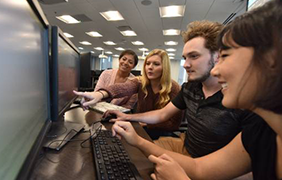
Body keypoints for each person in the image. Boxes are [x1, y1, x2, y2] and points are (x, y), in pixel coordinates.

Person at [113, 0, 282, 179]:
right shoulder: (261, 133)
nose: (217, 70)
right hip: (190, 149)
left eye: (225, 56)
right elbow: (198, 166)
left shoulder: (256, 119)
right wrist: (132, 125)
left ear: (272, 61)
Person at [93, 20, 262, 158]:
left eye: (194, 56)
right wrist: (126, 115)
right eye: (185, 58)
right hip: (184, 143)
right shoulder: (190, 88)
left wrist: (137, 135)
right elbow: (161, 114)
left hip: (207, 160)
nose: (186, 65)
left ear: (218, 56)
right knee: (128, 153)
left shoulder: (241, 101)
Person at [75, 49, 183, 136]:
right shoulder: (140, 82)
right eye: (148, 63)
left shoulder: (174, 88)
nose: (150, 67)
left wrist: (145, 123)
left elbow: (173, 124)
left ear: (164, 67)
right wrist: (99, 94)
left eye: (156, 64)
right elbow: (122, 88)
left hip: (162, 133)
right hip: (141, 128)